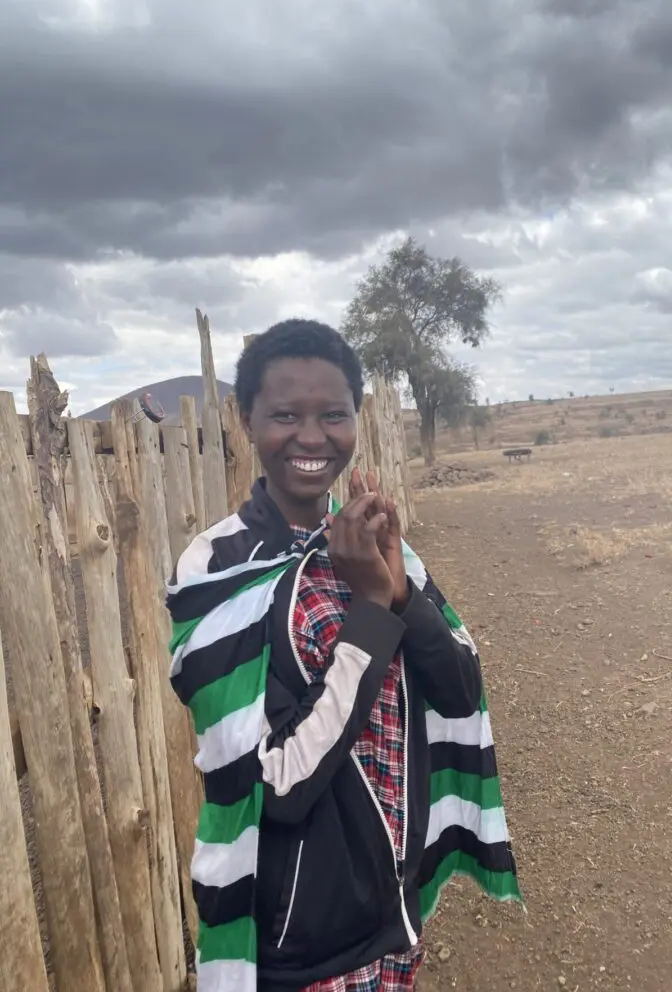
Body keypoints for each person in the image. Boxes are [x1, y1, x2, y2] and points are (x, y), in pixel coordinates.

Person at [166, 319, 520, 992]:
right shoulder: (216, 566)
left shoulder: (370, 541)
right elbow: (278, 786)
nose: (310, 436)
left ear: (355, 419)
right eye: (284, 415)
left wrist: (395, 589)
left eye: (332, 414)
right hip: (297, 947)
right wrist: (367, 611)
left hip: (392, 915)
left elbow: (458, 692)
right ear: (247, 421)